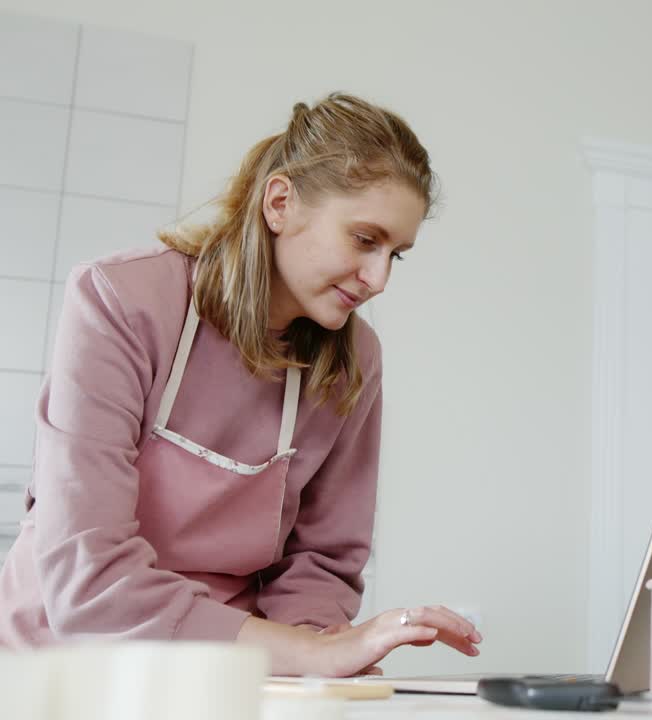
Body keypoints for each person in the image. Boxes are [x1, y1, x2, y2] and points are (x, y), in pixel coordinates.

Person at [0, 93, 480, 677]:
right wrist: (312, 652)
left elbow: (321, 566)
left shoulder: (354, 360)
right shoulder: (122, 301)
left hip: (225, 674)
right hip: (57, 664)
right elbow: (89, 579)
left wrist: (323, 663)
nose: (378, 278)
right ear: (280, 203)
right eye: (364, 240)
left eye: (395, 256)